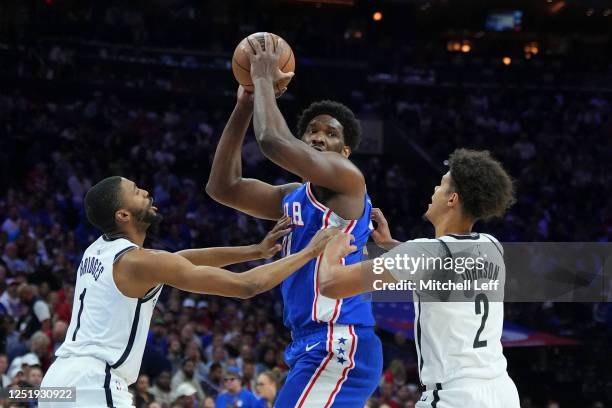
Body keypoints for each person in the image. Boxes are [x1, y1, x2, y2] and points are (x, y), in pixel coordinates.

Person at [39, 176, 342, 407]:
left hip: (58, 381)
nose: (145, 192)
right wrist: (309, 252)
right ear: (123, 215)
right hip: (93, 383)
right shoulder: (135, 262)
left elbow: (181, 259)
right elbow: (247, 286)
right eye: (135, 192)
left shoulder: (100, 250)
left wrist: (257, 250)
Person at [207, 33, 382, 407]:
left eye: (330, 134)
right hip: (308, 341)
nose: (318, 138)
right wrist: (244, 105)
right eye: (312, 132)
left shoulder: (348, 179)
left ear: (345, 151)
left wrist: (266, 78)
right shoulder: (292, 197)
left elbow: (272, 140)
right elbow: (223, 187)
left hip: (340, 340)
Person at [319, 149, 521, 407]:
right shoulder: (492, 246)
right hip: (501, 391)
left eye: (441, 185)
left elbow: (331, 285)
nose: (435, 190)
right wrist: (395, 246)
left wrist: (328, 248)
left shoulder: (423, 253)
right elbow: (443, 263)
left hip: (454, 396)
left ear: (452, 199)